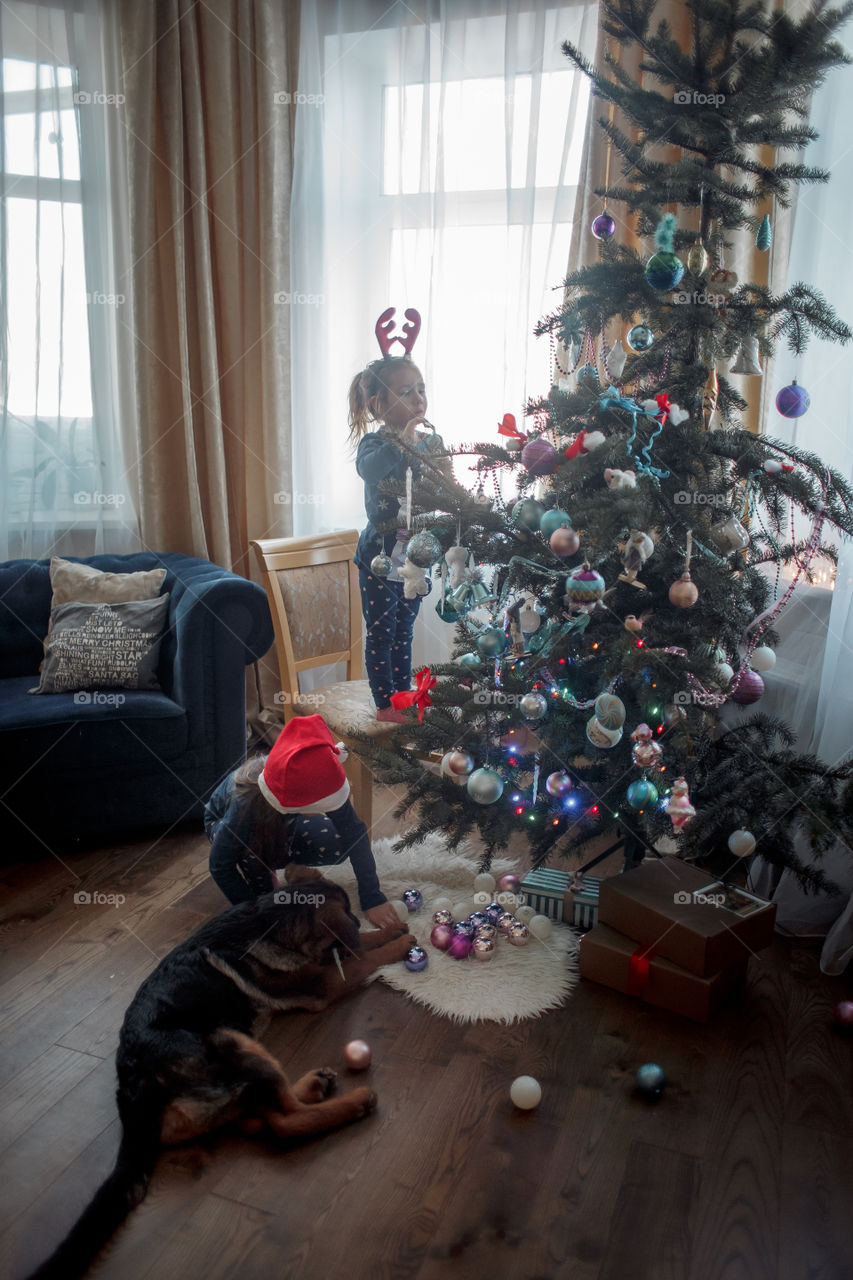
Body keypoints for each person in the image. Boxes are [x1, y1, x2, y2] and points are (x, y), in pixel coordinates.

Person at [205, 714, 400, 930]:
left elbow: (354, 833)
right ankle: (264, 871)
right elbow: (220, 865)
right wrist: (252, 914)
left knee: (338, 843)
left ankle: (286, 862)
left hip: (286, 820)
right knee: (256, 854)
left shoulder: (320, 774)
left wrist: (372, 896)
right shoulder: (244, 808)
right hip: (230, 824)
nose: (329, 808)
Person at [347, 350, 437, 724]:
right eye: (405, 392)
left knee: (404, 632)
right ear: (378, 405)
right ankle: (385, 704)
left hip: (414, 558)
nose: (418, 399)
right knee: (383, 635)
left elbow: (442, 486)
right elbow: (370, 470)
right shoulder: (375, 445)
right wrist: (400, 440)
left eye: (421, 389)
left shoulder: (428, 442)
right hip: (379, 558)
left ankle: (403, 697)